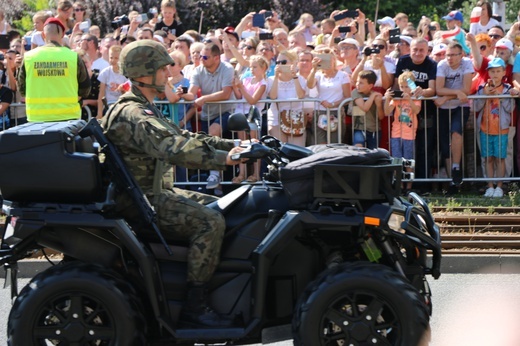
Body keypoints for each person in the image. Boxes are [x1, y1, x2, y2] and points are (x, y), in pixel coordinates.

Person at [101, 40, 244, 327]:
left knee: (229, 205)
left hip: (155, 192)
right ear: (144, 74)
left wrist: (239, 144)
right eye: (162, 69)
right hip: (142, 200)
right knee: (210, 222)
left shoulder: (146, 107)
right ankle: (195, 306)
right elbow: (173, 148)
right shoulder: (134, 113)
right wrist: (225, 160)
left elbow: (187, 137)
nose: (168, 74)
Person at [17, 17, 90, 122]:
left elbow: (22, 88)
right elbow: (85, 88)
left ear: (43, 35)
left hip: (37, 118)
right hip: (68, 117)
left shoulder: (29, 57)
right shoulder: (73, 56)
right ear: (62, 34)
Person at [188, 41, 235, 190]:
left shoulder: (227, 68)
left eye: (205, 57)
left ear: (216, 58)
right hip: (208, 114)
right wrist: (181, 95)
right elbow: (191, 93)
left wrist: (204, 98)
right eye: (201, 56)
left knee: (213, 132)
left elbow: (226, 94)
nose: (201, 59)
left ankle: (214, 174)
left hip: (227, 111)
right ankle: (218, 187)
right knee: (211, 143)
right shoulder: (197, 71)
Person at [435, 42, 474, 192]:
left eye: (453, 55)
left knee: (456, 132)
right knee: (445, 145)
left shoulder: (467, 64)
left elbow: (466, 89)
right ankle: (452, 182)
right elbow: (439, 89)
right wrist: (455, 93)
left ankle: (456, 167)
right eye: (447, 55)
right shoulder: (442, 65)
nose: (449, 58)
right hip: (445, 109)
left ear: (461, 55)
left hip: (461, 106)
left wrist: (445, 97)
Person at [474, 58, 515, 198]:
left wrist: (501, 96)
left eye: (498, 71)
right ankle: (489, 186)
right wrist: (485, 95)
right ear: (488, 72)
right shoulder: (482, 88)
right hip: (485, 129)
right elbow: (475, 107)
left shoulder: (508, 89)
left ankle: (499, 186)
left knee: (500, 158)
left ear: (504, 72)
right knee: (488, 158)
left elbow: (511, 108)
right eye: (493, 71)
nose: (495, 74)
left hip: (501, 130)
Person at [232, 54, 268, 183]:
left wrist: (241, 87)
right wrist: (236, 87)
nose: (252, 69)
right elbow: (239, 97)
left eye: (255, 67)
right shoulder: (247, 80)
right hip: (242, 114)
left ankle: (256, 174)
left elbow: (252, 100)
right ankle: (242, 173)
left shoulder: (263, 84)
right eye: (251, 67)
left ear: (263, 68)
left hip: (254, 115)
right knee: (242, 144)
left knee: (254, 144)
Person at [384, 71, 421, 192]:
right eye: (402, 87)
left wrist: (409, 99)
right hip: (396, 132)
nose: (404, 89)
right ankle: (398, 186)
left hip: (409, 134)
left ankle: (408, 187)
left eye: (407, 86)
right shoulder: (396, 99)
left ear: (412, 86)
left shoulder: (416, 97)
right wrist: (387, 98)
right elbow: (386, 111)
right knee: (396, 159)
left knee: (409, 161)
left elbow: (416, 110)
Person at [307, 46, 351, 144]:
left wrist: (333, 104)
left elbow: (347, 97)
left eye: (329, 59)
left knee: (334, 143)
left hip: (336, 112)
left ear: (334, 60)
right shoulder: (318, 75)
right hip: (320, 112)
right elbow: (310, 85)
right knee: (320, 143)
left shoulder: (343, 75)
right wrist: (313, 69)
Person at [351, 70, 385, 149]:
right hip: (359, 128)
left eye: (361, 83)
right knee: (358, 148)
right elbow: (364, 108)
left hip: (374, 130)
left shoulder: (376, 95)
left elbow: (381, 117)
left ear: (370, 86)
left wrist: (379, 105)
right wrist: (372, 96)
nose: (357, 85)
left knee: (373, 153)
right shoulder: (355, 92)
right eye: (357, 82)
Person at [97, 45, 128, 118]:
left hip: (122, 104)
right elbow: (101, 94)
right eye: (111, 57)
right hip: (109, 104)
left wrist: (123, 90)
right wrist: (99, 113)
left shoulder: (125, 74)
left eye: (116, 58)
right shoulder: (105, 73)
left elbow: (128, 92)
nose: (113, 60)